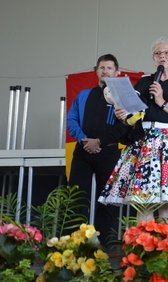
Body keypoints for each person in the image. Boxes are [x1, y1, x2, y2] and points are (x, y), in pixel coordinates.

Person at [98, 37, 168, 226]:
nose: (162, 57)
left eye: (167, 53)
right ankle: (144, 250)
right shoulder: (144, 82)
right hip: (144, 142)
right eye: (158, 53)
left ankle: (165, 250)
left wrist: (162, 101)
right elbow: (133, 112)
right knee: (143, 202)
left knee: (167, 204)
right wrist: (123, 113)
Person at [67, 54, 128, 245]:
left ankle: (105, 248)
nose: (105, 71)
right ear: (96, 71)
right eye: (102, 67)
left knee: (107, 202)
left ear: (117, 73)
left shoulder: (123, 98)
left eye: (109, 68)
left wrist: (99, 142)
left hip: (108, 153)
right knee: (77, 199)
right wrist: (84, 139)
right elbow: (72, 119)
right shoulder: (84, 95)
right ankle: (76, 246)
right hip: (82, 152)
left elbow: (123, 127)